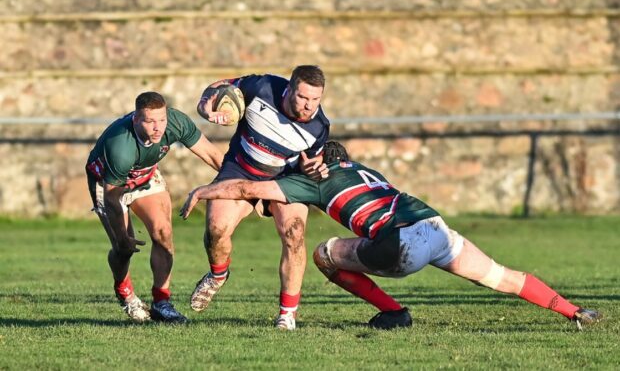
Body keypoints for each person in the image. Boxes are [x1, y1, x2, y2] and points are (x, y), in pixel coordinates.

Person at [180, 141, 601, 330]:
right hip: (435, 228)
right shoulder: (366, 170)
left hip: (399, 243)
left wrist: (204, 190)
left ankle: (394, 313)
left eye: (308, 159)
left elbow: (246, 189)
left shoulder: (317, 179)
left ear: (321, 162)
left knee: (325, 254)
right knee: (500, 276)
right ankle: (574, 311)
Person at [192, 65, 330, 330]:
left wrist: (313, 168)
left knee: (295, 232)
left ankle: (287, 315)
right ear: (289, 89)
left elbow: (310, 163)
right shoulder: (262, 87)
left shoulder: (319, 127)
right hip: (239, 169)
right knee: (216, 229)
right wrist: (205, 107)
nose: (308, 106)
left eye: (315, 100)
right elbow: (218, 86)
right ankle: (218, 276)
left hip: (284, 179)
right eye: (302, 97)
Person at [86, 91, 223, 324]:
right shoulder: (120, 145)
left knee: (164, 233)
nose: (158, 128)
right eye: (149, 121)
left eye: (161, 120)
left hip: (145, 177)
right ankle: (125, 292)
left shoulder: (176, 122)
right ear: (136, 119)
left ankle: (162, 303)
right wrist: (122, 236)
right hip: (108, 185)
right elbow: (112, 197)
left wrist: (241, 185)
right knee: (124, 248)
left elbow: (212, 155)